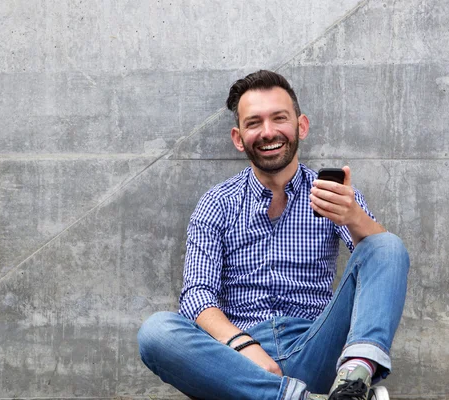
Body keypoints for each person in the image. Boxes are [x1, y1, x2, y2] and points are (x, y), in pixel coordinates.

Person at [137, 70, 410, 400]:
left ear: (301, 126)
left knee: (387, 243)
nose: (268, 132)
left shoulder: (333, 194)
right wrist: (245, 346)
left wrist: (354, 217)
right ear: (239, 138)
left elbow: (382, 260)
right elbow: (197, 297)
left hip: (317, 349)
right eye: (254, 123)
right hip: (240, 364)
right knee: (156, 332)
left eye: (279, 118)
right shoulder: (217, 203)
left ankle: (353, 378)